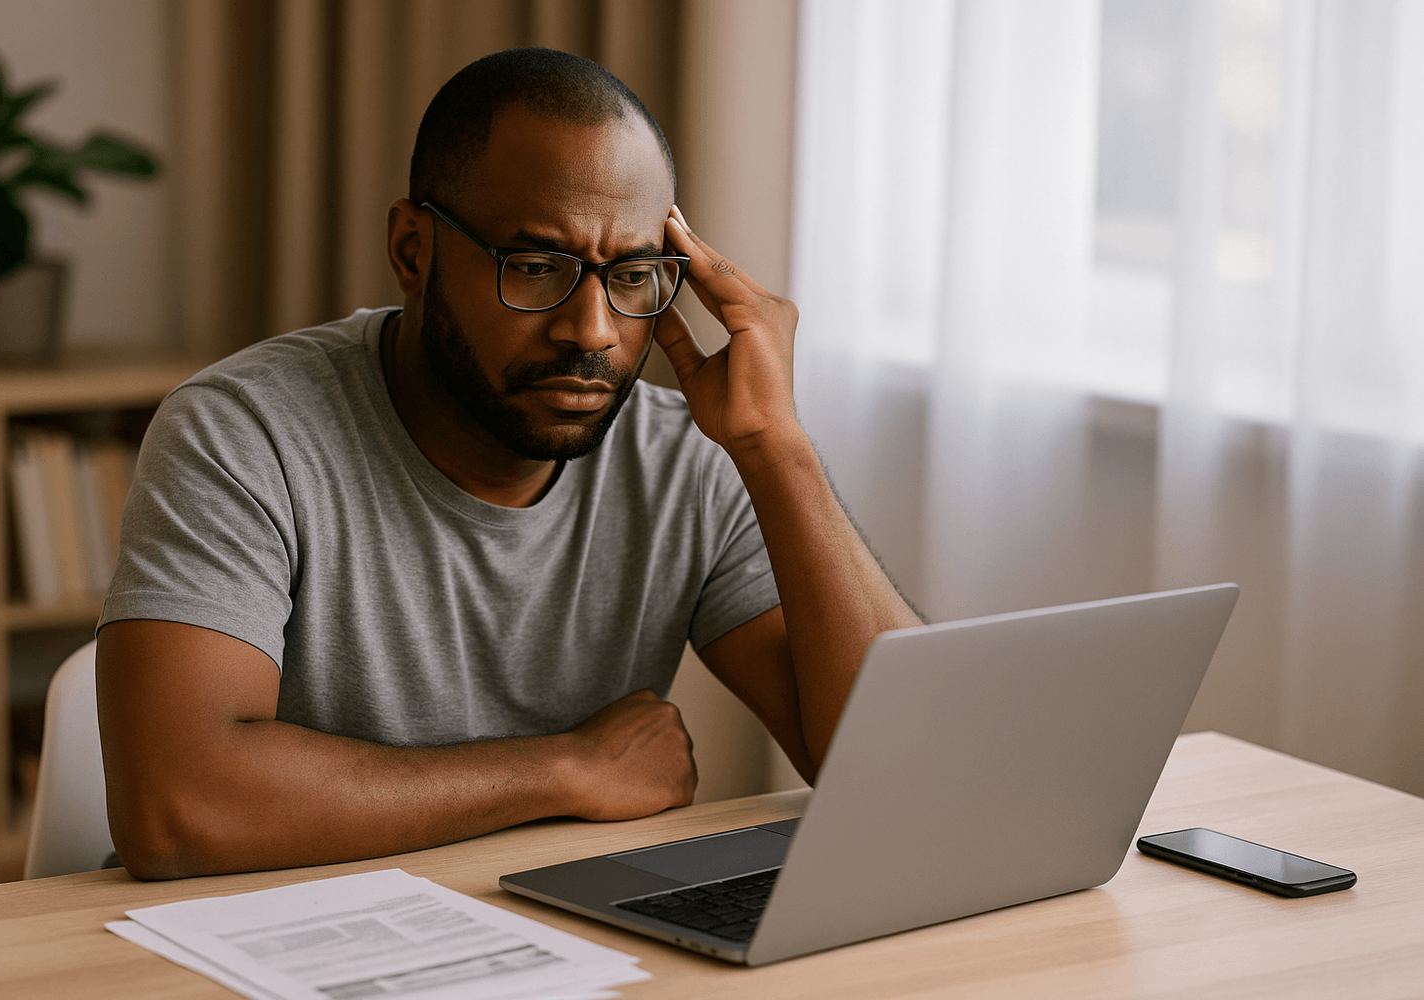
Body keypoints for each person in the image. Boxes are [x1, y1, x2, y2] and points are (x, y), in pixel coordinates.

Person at [96, 47, 921, 881]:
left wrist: (776, 448)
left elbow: (907, 783)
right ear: (413, 250)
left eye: (633, 275)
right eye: (536, 267)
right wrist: (565, 768)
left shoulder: (687, 463)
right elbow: (177, 811)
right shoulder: (244, 434)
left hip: (549, 932)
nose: (593, 331)